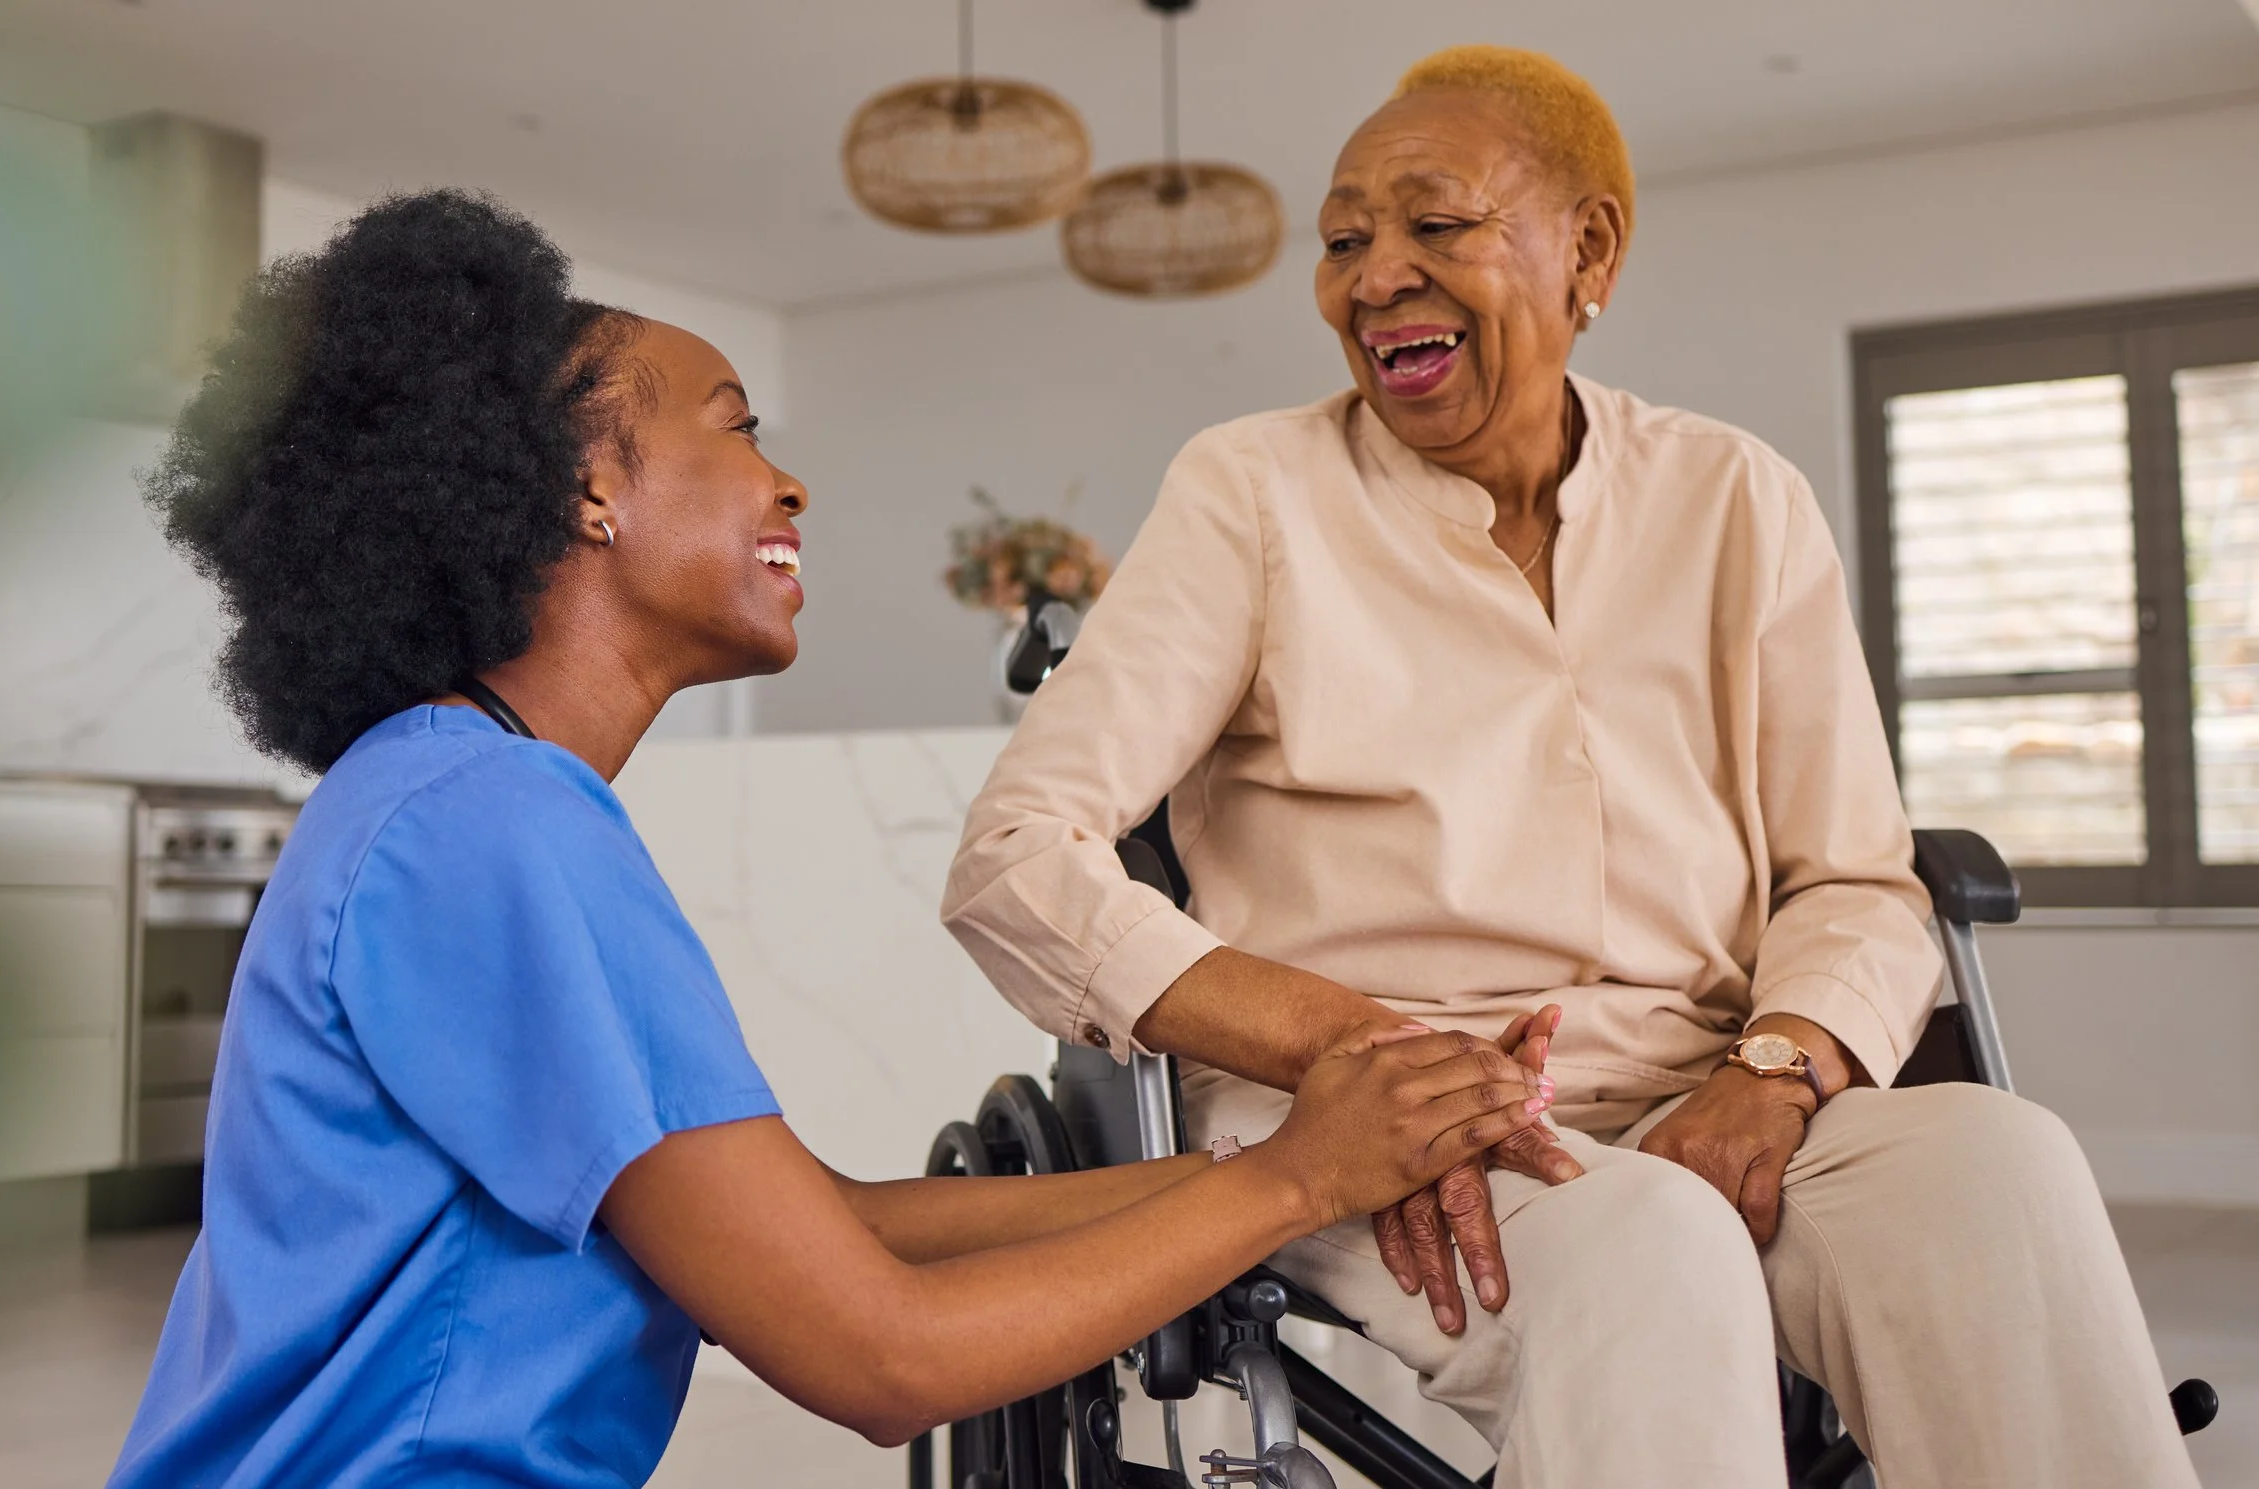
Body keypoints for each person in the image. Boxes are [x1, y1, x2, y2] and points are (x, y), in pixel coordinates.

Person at [101, 190, 1562, 1489]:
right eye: (735, 424)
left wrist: (1305, 1159)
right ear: (583, 489)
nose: (787, 483)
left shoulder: (458, 795)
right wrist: (1294, 1182)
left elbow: (833, 1225)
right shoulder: (491, 828)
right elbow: (881, 1359)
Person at [942, 45, 2199, 1488]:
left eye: (1435, 223)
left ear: (1586, 251)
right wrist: (1358, 1057)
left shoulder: (1737, 499)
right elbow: (1016, 854)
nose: (1374, 276)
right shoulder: (1253, 493)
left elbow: (1854, 873)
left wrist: (1781, 1070)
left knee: (1998, 1164)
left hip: (1711, 1091)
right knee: (1651, 1245)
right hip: (1372, 1136)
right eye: (1345, 240)